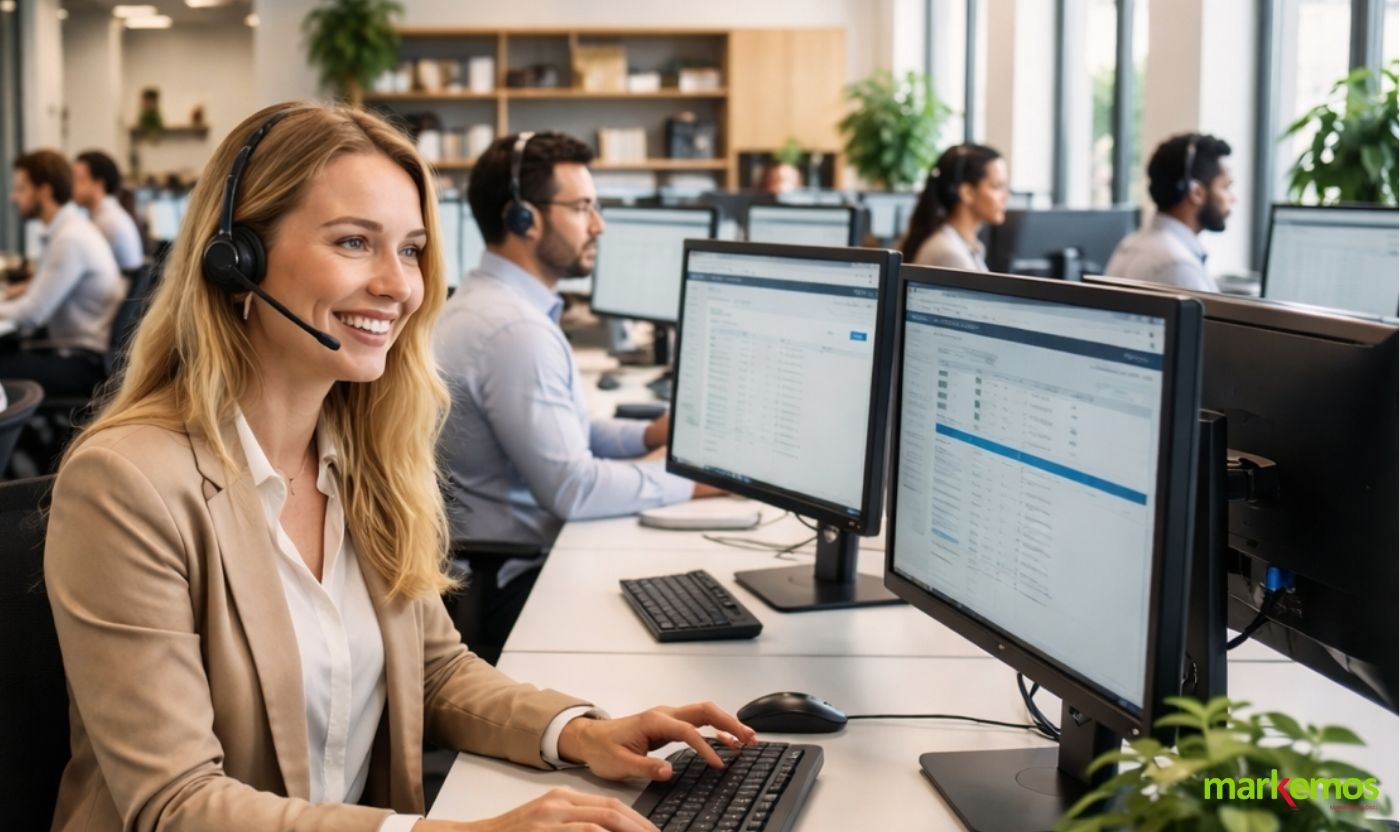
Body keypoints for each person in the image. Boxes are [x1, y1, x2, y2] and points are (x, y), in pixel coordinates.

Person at [45, 102, 756, 832]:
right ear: (236, 261)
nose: (400, 286)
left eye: (412, 249)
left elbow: (434, 669)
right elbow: (177, 804)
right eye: (356, 242)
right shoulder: (128, 485)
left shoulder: (362, 454)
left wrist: (578, 731)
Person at [435, 133, 720, 583]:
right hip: (516, 577)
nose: (598, 225)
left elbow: (563, 430)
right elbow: (576, 489)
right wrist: (696, 481)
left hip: (511, 559)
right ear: (523, 217)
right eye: (582, 207)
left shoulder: (487, 305)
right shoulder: (514, 331)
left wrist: (647, 435)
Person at [3, 149, 124, 396]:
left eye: (22, 188)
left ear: (45, 191)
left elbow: (33, 313)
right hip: (74, 351)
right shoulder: (67, 231)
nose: (13, 197)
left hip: (82, 363)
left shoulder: (70, 239)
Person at [1104, 133, 1234, 293]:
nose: (1233, 198)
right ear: (1197, 193)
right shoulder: (1177, 267)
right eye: (1226, 187)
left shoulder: (1131, 244)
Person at [900, 144, 1009, 270]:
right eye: (996, 186)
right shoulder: (949, 254)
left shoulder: (965, 246)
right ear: (967, 193)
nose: (1005, 196)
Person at [73, 149, 145, 271]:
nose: (71, 186)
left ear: (99, 183)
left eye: (78, 180)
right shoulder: (109, 214)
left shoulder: (107, 222)